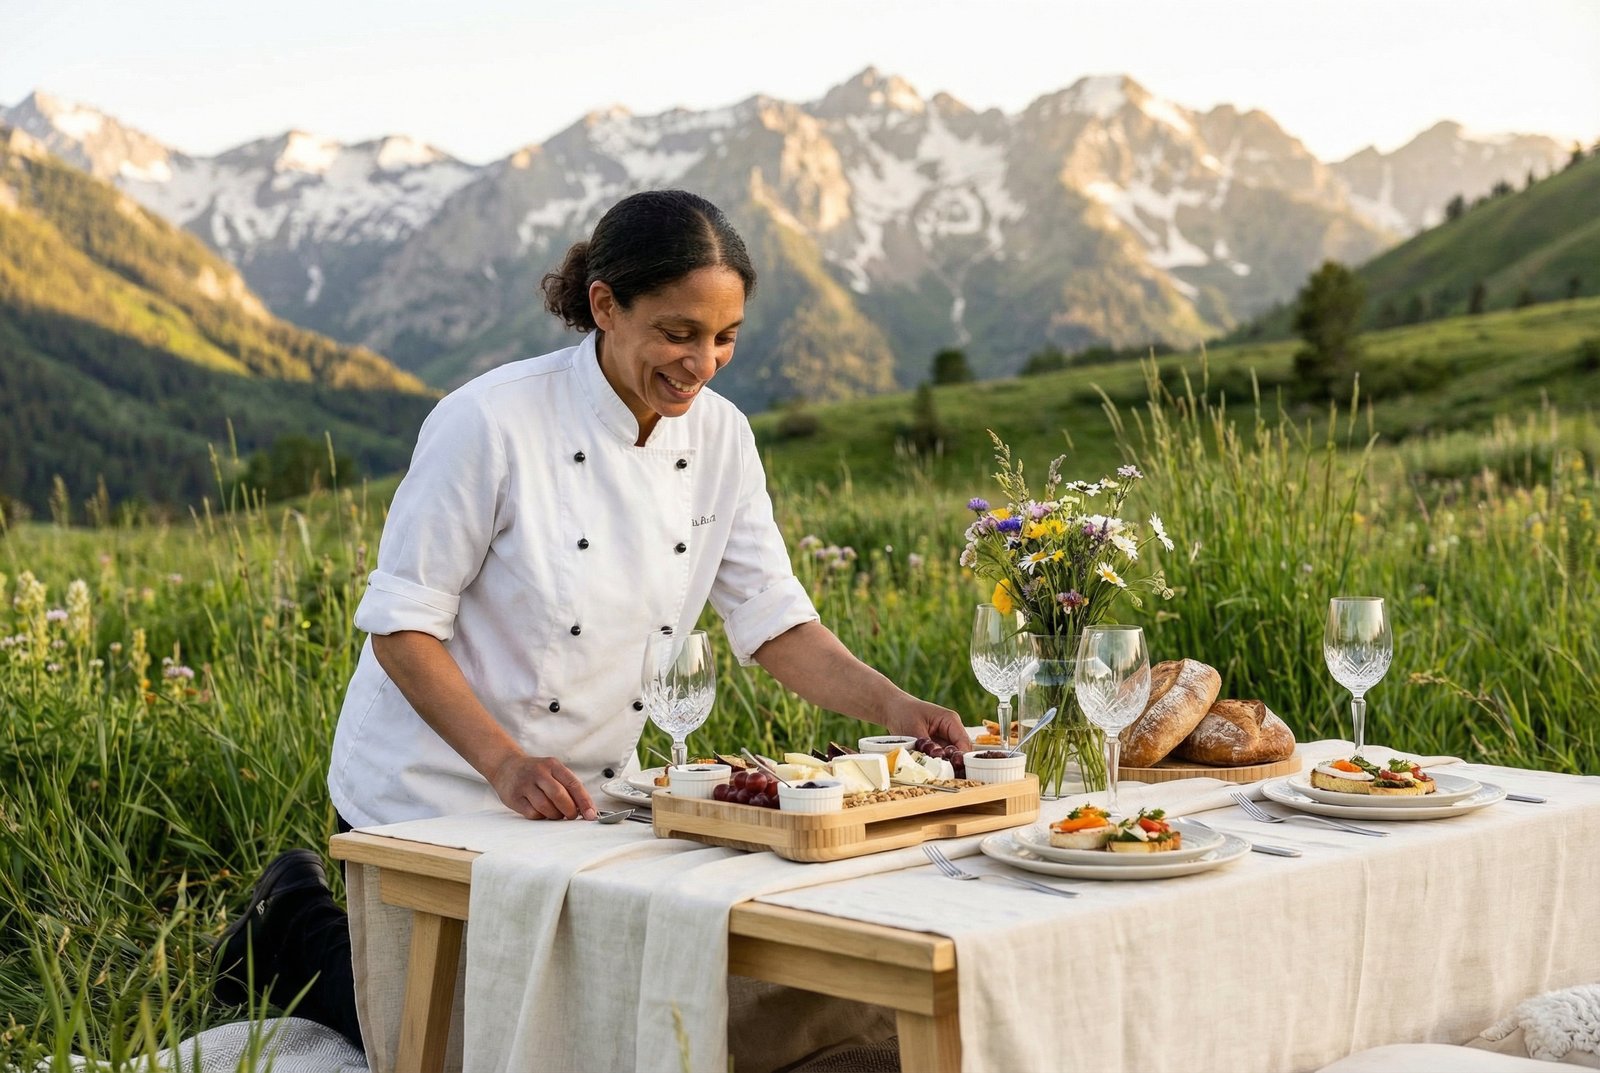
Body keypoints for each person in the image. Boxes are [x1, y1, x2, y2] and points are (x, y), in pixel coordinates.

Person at [213, 189, 970, 1048]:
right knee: (475, 1048)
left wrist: (897, 711)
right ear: (605, 305)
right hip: (434, 789)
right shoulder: (489, 420)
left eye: (724, 337)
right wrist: (503, 763)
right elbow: (401, 627)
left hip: (590, 797)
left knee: (603, 1028)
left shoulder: (721, 438)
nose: (703, 363)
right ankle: (291, 917)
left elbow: (773, 620)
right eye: (678, 333)